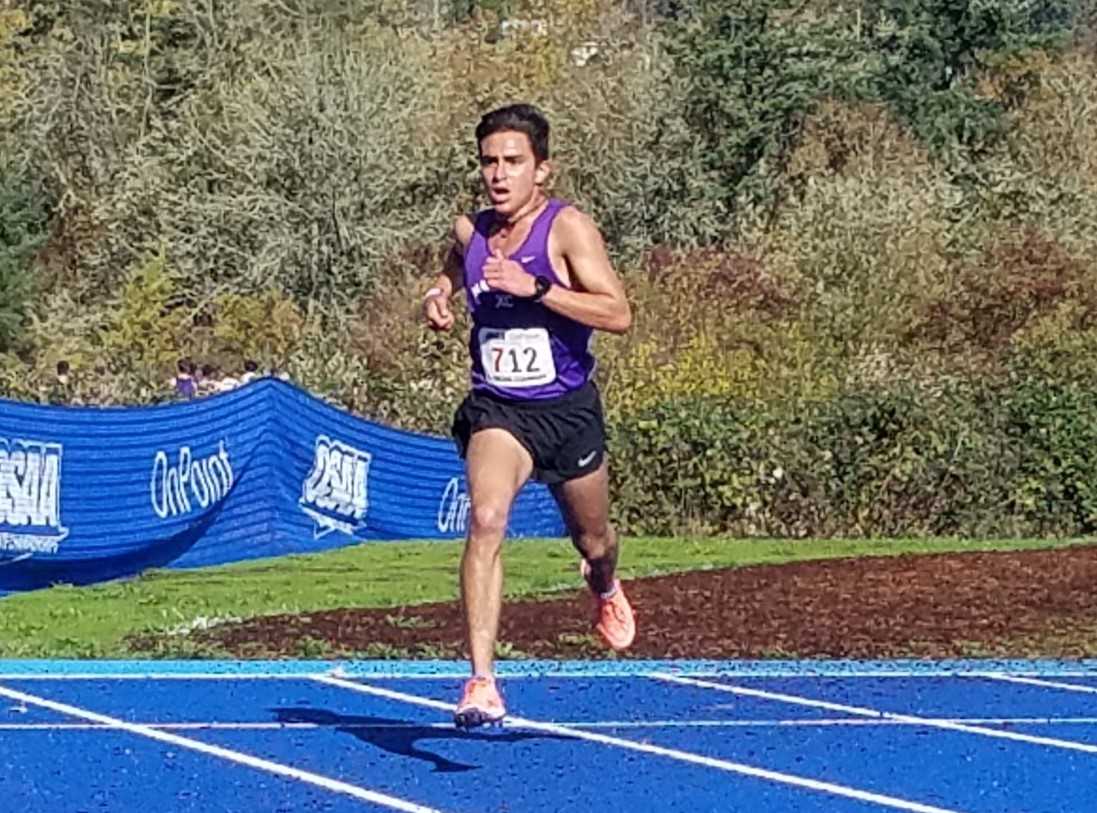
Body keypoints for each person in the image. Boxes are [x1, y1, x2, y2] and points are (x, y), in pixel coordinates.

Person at [422, 103, 635, 730]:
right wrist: (438, 295)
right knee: (486, 518)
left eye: (513, 162)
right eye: (489, 161)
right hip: (499, 410)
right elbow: (449, 261)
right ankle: (482, 681)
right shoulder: (473, 230)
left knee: (593, 541)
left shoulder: (567, 229)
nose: (498, 174)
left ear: (541, 169)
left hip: (567, 414)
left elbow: (618, 313)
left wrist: (536, 288)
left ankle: (602, 585)